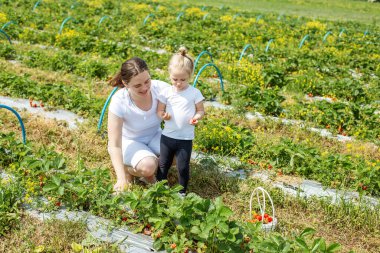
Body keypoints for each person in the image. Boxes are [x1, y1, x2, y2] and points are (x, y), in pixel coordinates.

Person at [107, 57, 170, 193]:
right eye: (137, 85)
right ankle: (129, 169)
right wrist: (121, 179)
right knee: (148, 166)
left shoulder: (161, 89)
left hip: (154, 135)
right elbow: (114, 144)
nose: (145, 88)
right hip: (130, 141)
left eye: (147, 81)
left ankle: (149, 164)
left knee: (180, 151)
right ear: (125, 84)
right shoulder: (119, 101)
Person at [156, 47, 205, 196]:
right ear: (169, 75)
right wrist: (163, 115)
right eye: (174, 79)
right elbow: (159, 110)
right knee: (163, 164)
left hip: (185, 138)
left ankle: (182, 192)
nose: (178, 83)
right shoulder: (166, 92)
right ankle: (160, 188)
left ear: (190, 76)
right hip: (167, 137)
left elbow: (200, 110)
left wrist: (196, 117)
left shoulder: (194, 93)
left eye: (183, 80)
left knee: (183, 167)